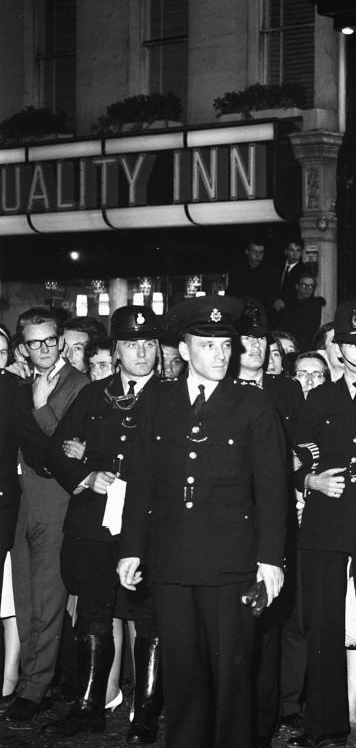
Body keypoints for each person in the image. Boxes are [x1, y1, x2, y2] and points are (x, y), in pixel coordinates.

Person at [117, 295, 287, 748]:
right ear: (185, 347)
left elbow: (273, 490)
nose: (219, 355)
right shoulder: (158, 401)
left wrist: (271, 560)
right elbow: (141, 482)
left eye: (225, 346)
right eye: (208, 346)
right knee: (184, 674)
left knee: (233, 676)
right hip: (172, 561)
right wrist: (131, 548)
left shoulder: (251, 405)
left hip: (232, 564)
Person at [42, 306, 164, 740]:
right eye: (132, 345)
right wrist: (87, 474)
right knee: (93, 615)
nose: (143, 353)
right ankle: (89, 706)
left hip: (149, 529)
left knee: (149, 619)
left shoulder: (172, 396)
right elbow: (56, 453)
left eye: (149, 344)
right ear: (116, 351)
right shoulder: (94, 396)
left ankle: (146, 711)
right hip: (94, 526)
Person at [291, 301, 356, 748]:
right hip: (326, 522)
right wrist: (311, 480)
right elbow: (292, 458)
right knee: (324, 622)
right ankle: (325, 721)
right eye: (351, 343)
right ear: (337, 347)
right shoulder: (317, 398)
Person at [3, 307, 90, 723]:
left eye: (49, 340)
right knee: (25, 601)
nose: (42, 349)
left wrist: (40, 405)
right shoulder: (21, 383)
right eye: (33, 342)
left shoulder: (79, 384)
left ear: (60, 340)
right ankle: (31, 680)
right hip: (22, 503)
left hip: (55, 504)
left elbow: (66, 449)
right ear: (23, 346)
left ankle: (34, 689)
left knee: (48, 603)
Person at [234, 300, 305, 748]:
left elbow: (308, 448)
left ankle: (262, 726)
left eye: (261, 338)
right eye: (247, 339)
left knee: (271, 625)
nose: (256, 346)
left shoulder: (287, 391)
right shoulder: (220, 392)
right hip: (232, 524)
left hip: (277, 522)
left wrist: (299, 468)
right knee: (234, 628)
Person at [274, 238, 312, 312]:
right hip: (274, 309)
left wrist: (284, 302)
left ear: (301, 253)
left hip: (292, 310)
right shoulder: (277, 267)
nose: (295, 254)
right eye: (292, 250)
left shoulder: (305, 270)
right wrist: (274, 301)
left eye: (298, 250)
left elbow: (303, 293)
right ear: (286, 251)